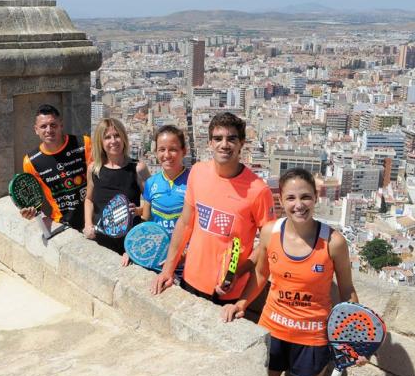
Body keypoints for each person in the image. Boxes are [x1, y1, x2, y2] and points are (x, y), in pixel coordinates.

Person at [221, 168, 361, 376]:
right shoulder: (270, 232)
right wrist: (242, 302)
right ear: (281, 200)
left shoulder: (333, 242)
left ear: (316, 197)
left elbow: (347, 291)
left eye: (305, 197)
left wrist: (353, 336)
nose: (299, 205)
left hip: (312, 336)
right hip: (272, 329)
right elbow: (261, 273)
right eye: (291, 198)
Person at [150, 112, 275, 304]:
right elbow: (185, 224)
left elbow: (267, 245)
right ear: (210, 143)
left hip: (227, 290)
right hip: (189, 280)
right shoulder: (198, 172)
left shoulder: (258, 191)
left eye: (231, 139)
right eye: (218, 138)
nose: (224, 144)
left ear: (241, 143)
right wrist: (168, 269)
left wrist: (238, 273)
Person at [84, 118, 149, 260]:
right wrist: (88, 224)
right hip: (101, 239)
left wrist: (138, 210)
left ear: (124, 138)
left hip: (130, 241)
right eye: (107, 137)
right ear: (100, 142)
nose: (113, 141)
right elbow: (89, 200)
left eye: (117, 135)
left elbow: (154, 205)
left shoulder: (138, 169)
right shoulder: (94, 169)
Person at [20, 104, 91, 233]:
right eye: (43, 126)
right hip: (64, 223)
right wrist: (30, 212)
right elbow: (34, 201)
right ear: (36, 130)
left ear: (61, 125)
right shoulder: (31, 161)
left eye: (53, 125)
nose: (49, 130)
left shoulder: (83, 143)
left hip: (93, 217)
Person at [139, 125, 190, 278]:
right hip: (157, 259)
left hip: (185, 263)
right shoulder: (151, 183)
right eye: (162, 149)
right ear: (156, 153)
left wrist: (184, 256)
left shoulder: (194, 182)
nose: (167, 155)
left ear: (184, 151)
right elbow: (146, 222)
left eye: (173, 149)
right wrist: (134, 250)